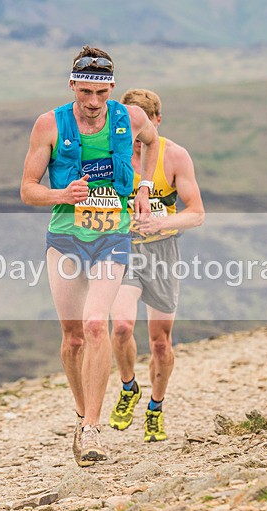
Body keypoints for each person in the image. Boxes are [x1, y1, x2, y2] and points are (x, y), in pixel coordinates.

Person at [20, 47, 159, 466]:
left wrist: (144, 188)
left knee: (97, 323)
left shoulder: (130, 119)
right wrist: (61, 194)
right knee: (73, 336)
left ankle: (93, 428)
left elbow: (152, 144)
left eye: (100, 92)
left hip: (111, 236)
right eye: (85, 92)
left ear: (111, 87)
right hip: (65, 238)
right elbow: (28, 189)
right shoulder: (49, 124)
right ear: (72, 86)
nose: (94, 102)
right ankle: (82, 413)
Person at [108, 88, 205, 443]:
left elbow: (196, 214)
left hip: (163, 254)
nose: (134, 132)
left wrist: (162, 223)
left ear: (156, 121)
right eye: (127, 123)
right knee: (120, 326)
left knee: (160, 342)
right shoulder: (111, 154)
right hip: (123, 250)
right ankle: (129, 385)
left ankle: (155, 408)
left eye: (141, 123)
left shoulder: (175, 156)